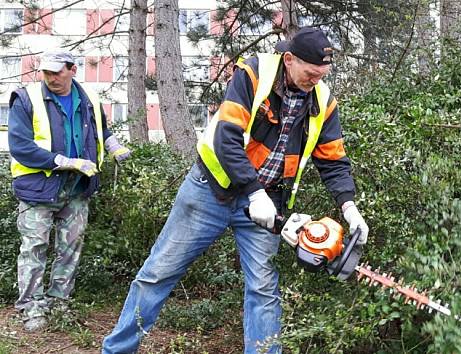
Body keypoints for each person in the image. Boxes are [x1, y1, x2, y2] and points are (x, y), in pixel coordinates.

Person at [102, 27, 369, 354]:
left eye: (322, 74)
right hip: (209, 191)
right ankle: (116, 350)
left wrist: (349, 207)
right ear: (289, 60)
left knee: (264, 290)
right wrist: (253, 192)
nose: (316, 80)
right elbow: (226, 137)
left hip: (267, 202)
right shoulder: (253, 75)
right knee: (158, 273)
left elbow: (333, 159)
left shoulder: (323, 101)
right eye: (311, 73)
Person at [8, 48, 131, 332]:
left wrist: (113, 146)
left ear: (72, 69)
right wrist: (64, 161)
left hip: (77, 189)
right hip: (38, 189)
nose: (51, 78)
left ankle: (59, 301)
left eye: (57, 72)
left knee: (70, 247)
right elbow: (20, 146)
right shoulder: (27, 99)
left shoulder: (88, 97)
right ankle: (31, 307)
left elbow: (101, 129)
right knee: (34, 248)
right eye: (46, 72)